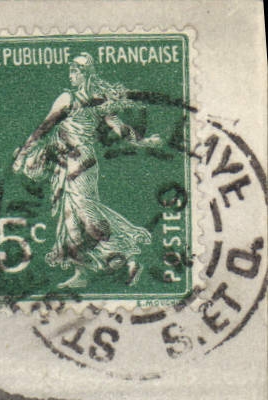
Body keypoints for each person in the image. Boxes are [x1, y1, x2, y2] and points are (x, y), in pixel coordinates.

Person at [11, 54, 163, 289]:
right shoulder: (76, 99)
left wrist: (143, 142)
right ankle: (81, 272)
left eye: (75, 72)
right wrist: (24, 153)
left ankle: (128, 255)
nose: (71, 76)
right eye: (70, 71)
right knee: (70, 218)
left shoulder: (86, 100)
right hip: (67, 163)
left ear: (86, 74)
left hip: (81, 164)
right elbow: (45, 128)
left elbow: (119, 129)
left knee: (86, 214)